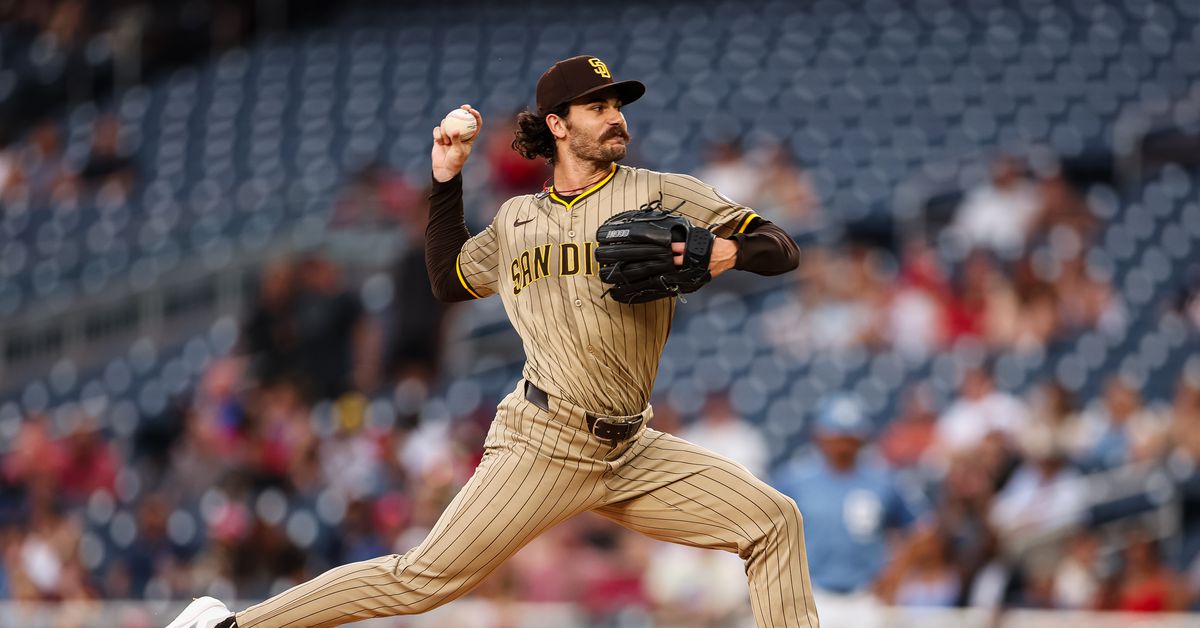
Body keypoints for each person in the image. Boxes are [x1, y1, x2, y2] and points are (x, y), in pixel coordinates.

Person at [167, 54, 817, 628]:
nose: (616, 115)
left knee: (773, 520)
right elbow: (449, 279)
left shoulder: (659, 194)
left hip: (632, 448)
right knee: (421, 580)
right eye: (598, 106)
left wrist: (720, 253)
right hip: (543, 443)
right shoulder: (517, 220)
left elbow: (780, 248)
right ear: (558, 124)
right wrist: (445, 179)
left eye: (618, 104)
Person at [773, 395, 924, 602]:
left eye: (849, 437)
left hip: (866, 595)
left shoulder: (884, 480)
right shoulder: (794, 479)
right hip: (810, 593)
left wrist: (896, 571)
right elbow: (766, 529)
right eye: (836, 436)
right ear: (820, 436)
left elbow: (920, 529)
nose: (843, 445)